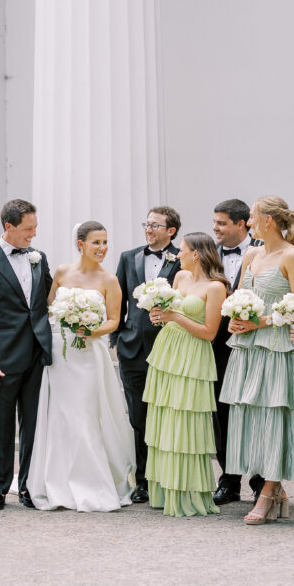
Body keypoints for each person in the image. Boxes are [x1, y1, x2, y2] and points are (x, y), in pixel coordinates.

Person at [29, 221, 136, 512]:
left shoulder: (109, 280)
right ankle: (58, 478)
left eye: (105, 242)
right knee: (61, 415)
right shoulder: (62, 272)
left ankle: (91, 481)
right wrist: (64, 320)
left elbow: (114, 320)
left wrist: (91, 330)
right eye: (96, 242)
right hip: (60, 355)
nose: (102, 248)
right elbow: (49, 307)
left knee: (85, 415)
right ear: (81, 244)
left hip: (89, 355)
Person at [219, 196, 294, 525]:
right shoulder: (252, 254)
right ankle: (275, 489)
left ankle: (269, 491)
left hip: (275, 347)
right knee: (251, 418)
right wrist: (234, 317)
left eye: (254, 217)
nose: (250, 222)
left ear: (268, 220)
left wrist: (262, 322)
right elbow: (240, 295)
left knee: (274, 419)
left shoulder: (292, 256)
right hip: (246, 347)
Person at [0, 200, 54, 511]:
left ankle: (28, 486)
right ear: (9, 227)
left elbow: (46, 300)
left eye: (35, 227)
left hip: (36, 354)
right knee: (2, 426)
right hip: (2, 359)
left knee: (32, 425)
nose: (34, 234)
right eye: (28, 228)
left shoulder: (38, 257)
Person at [143, 232, 227, 517]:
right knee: (165, 417)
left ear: (197, 254)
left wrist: (175, 316)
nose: (177, 255)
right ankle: (165, 488)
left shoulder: (215, 287)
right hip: (167, 350)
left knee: (186, 420)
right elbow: (167, 313)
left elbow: (210, 332)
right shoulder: (179, 277)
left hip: (193, 354)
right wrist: (158, 316)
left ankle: (187, 491)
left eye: (182, 250)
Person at [111, 206, 183, 503]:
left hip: (168, 348)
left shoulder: (182, 258)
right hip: (133, 349)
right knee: (138, 416)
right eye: (147, 224)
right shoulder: (129, 257)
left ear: (171, 231)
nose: (149, 229)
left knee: (166, 415)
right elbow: (119, 301)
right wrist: (117, 338)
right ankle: (142, 480)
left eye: (155, 225)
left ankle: (167, 478)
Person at [209, 199, 263, 506]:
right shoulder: (208, 254)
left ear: (241, 224)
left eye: (221, 223)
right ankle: (229, 481)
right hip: (216, 344)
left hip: (253, 340)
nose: (215, 228)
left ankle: (259, 481)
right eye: (214, 222)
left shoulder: (262, 250)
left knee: (254, 412)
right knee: (222, 413)